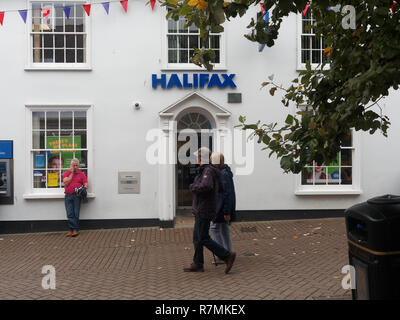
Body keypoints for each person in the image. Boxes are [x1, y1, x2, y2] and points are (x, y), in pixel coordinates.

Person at [184, 147, 236, 274]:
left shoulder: (208, 170)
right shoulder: (205, 170)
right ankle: (198, 263)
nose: (197, 159)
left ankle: (226, 255)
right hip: (200, 209)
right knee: (197, 238)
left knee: (203, 238)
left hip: (204, 209)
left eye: (198, 157)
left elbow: (206, 186)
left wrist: (192, 187)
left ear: (201, 158)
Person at [209, 152, 236, 264]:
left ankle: (223, 255)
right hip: (223, 207)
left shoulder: (223, 174)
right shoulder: (225, 172)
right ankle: (227, 253)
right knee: (224, 229)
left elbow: (226, 194)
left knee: (215, 228)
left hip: (220, 208)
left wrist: (226, 212)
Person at [62, 158, 88, 237]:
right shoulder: (66, 173)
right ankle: (71, 229)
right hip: (68, 195)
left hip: (77, 196)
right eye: (74, 165)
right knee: (69, 213)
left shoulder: (81, 174)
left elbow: (86, 184)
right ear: (71, 165)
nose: (75, 167)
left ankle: (75, 230)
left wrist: (82, 189)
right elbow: (66, 182)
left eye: (77, 165)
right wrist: (72, 173)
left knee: (76, 213)